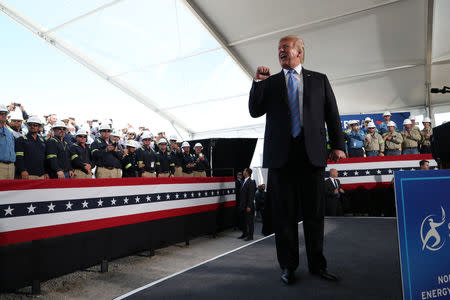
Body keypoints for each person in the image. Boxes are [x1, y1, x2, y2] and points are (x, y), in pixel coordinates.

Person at [249, 35, 345, 284]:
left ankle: (317, 265)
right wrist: (257, 83)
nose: (281, 51)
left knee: (314, 214)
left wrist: (338, 145)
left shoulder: (319, 80)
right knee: (285, 216)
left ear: (300, 52)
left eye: (286, 47)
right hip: (281, 159)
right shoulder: (270, 83)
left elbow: (332, 114)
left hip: (311, 156)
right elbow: (254, 111)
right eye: (279, 48)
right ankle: (288, 267)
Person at [237, 168, 257, 241]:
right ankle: (244, 233)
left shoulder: (251, 182)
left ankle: (250, 236)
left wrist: (249, 206)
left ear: (247, 173)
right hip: (242, 205)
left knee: (249, 222)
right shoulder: (243, 181)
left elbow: (251, 195)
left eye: (244, 171)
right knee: (243, 221)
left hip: (248, 206)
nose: (243, 172)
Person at [0, 104, 16, 179]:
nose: (4, 115)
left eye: (5, 114)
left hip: (11, 166)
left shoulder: (9, 132)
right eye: (1, 113)